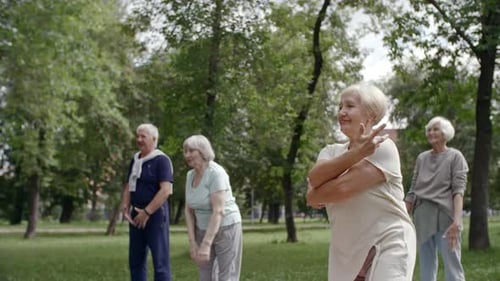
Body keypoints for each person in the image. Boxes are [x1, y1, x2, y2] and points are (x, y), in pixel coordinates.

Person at [306, 83, 416, 281]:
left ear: (370, 114)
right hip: (347, 251)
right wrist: (357, 153)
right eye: (340, 107)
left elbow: (341, 188)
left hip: (388, 242)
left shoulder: (383, 147)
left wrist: (324, 185)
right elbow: (313, 191)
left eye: (349, 106)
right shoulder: (329, 151)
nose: (342, 112)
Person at [405, 116, 468, 281]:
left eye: (436, 129)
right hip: (422, 216)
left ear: (445, 133)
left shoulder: (455, 157)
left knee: (452, 265)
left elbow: (458, 191)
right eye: (429, 129)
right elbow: (413, 190)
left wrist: (457, 221)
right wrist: (403, 216)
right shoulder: (422, 158)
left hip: (445, 217)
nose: (431, 132)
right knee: (426, 266)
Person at [183, 134, 243, 281]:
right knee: (205, 277)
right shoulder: (190, 175)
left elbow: (218, 211)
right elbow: (188, 210)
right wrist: (193, 243)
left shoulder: (216, 173)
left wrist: (206, 244)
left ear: (203, 152)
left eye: (191, 151)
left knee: (226, 276)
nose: (187, 155)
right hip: (202, 229)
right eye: (185, 151)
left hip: (226, 227)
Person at [121, 123, 174, 281]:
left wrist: (147, 212)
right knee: (135, 261)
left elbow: (166, 190)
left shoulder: (162, 160)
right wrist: (125, 206)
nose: (139, 139)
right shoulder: (135, 159)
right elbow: (128, 184)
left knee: (160, 263)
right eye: (138, 136)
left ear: (154, 138)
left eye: (143, 136)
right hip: (135, 215)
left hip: (156, 216)